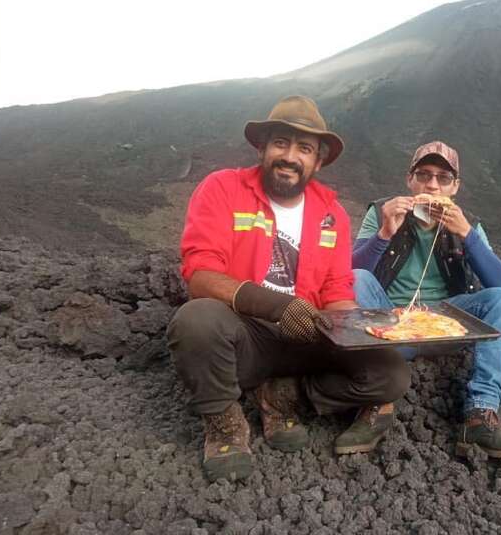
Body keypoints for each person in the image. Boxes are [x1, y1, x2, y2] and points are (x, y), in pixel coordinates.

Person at [167, 96, 410, 482]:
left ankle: (286, 395)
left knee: (391, 375)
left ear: (318, 160)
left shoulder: (331, 214)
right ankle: (224, 423)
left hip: (306, 337)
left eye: (304, 148)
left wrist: (360, 332)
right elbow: (200, 273)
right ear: (262, 147)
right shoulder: (223, 189)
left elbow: (337, 290)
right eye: (281, 142)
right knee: (195, 320)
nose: (290, 156)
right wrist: (277, 306)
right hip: (244, 335)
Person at [352, 141, 501, 459]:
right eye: (423, 175)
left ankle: (481, 412)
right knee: (357, 279)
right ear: (410, 180)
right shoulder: (383, 210)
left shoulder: (467, 222)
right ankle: (377, 400)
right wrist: (384, 234)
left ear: (455, 187)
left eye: (442, 178)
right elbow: (350, 276)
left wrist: (467, 234)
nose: (432, 185)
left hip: (445, 323)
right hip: (389, 324)